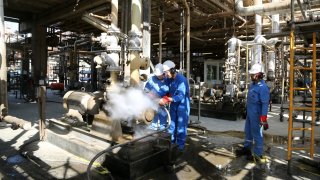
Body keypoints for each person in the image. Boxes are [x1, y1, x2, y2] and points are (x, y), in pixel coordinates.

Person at [236, 63, 270, 162]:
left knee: (257, 134)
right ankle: (247, 148)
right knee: (248, 132)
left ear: (258, 75)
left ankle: (258, 154)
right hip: (250, 114)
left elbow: (265, 104)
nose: (251, 76)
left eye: (252, 74)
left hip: (257, 115)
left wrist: (263, 119)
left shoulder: (263, 88)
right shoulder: (252, 85)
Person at [160, 60, 190, 151]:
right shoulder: (169, 79)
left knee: (180, 126)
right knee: (172, 125)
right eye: (164, 73)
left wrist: (168, 99)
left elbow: (181, 96)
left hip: (182, 105)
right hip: (173, 105)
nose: (166, 75)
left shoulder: (182, 80)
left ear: (172, 71)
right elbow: (165, 89)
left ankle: (180, 146)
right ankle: (172, 143)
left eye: (166, 72)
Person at [144, 63, 169, 130]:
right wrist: (151, 97)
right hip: (153, 101)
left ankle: (163, 127)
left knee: (163, 114)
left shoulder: (167, 79)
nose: (158, 77)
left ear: (163, 73)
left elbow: (171, 91)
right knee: (154, 113)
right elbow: (146, 90)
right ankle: (153, 126)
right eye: (157, 75)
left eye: (160, 75)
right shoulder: (152, 79)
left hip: (164, 101)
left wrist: (165, 99)